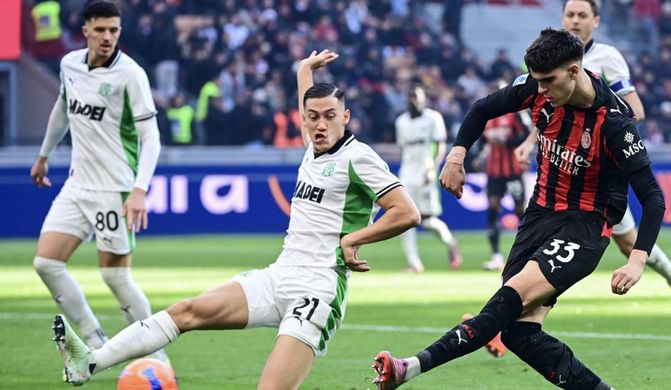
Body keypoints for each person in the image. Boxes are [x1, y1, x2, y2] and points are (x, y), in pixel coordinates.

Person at [53, 49, 421, 389]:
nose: (320, 124)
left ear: (346, 117)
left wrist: (354, 239)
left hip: (318, 288)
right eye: (312, 117)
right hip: (279, 275)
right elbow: (308, 106)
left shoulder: (359, 158)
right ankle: (89, 362)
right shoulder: (314, 145)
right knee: (187, 311)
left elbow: (407, 211)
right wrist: (303, 70)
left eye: (329, 116)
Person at [373, 28, 666, 389]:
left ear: (574, 71)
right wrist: (456, 155)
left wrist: (637, 260)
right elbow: (482, 108)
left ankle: (407, 368)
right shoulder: (537, 87)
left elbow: (653, 196)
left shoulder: (615, 124)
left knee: (505, 304)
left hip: (584, 226)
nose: (539, 90)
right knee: (518, 333)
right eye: (536, 81)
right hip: (539, 215)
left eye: (548, 81)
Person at [30, 1, 168, 364]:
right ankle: (93, 339)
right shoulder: (69, 64)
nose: (107, 37)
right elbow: (62, 109)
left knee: (115, 276)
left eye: (114, 30)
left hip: (115, 188)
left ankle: (159, 360)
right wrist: (44, 155)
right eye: (101, 29)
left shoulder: (130, 75)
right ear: (86, 31)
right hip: (77, 184)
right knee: (46, 264)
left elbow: (151, 137)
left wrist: (139, 190)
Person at [556, 0, 671, 323]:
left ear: (596, 21)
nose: (575, 21)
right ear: (562, 18)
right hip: (562, 165)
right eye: (570, 15)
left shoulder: (606, 58)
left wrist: (597, 129)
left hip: (600, 172)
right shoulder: (553, 55)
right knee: (543, 237)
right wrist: (529, 142)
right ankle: (505, 321)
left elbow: (636, 110)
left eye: (582, 15)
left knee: (626, 244)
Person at [395, 85, 461, 273]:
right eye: (410, 97)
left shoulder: (433, 118)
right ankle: (414, 263)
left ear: (423, 99)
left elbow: (440, 146)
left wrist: (433, 167)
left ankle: (451, 243)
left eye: (416, 97)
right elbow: (403, 148)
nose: (413, 101)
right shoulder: (401, 122)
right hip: (407, 174)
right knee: (405, 219)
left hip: (426, 172)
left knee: (428, 220)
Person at [473, 101, 530, 271]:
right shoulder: (488, 117)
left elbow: (527, 136)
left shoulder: (516, 114)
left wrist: (507, 141)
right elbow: (482, 140)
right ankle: (496, 257)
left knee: (520, 212)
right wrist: (479, 156)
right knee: (493, 210)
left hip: (514, 171)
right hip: (494, 173)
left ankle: (528, 253)